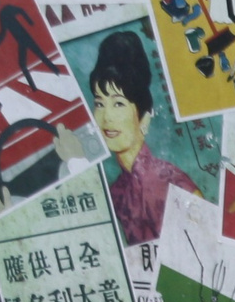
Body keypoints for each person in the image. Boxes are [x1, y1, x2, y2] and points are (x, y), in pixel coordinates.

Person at [85, 27, 199, 246]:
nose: (106, 117)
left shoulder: (170, 183)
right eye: (99, 103)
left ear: (144, 118)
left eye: (118, 103)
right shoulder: (116, 191)